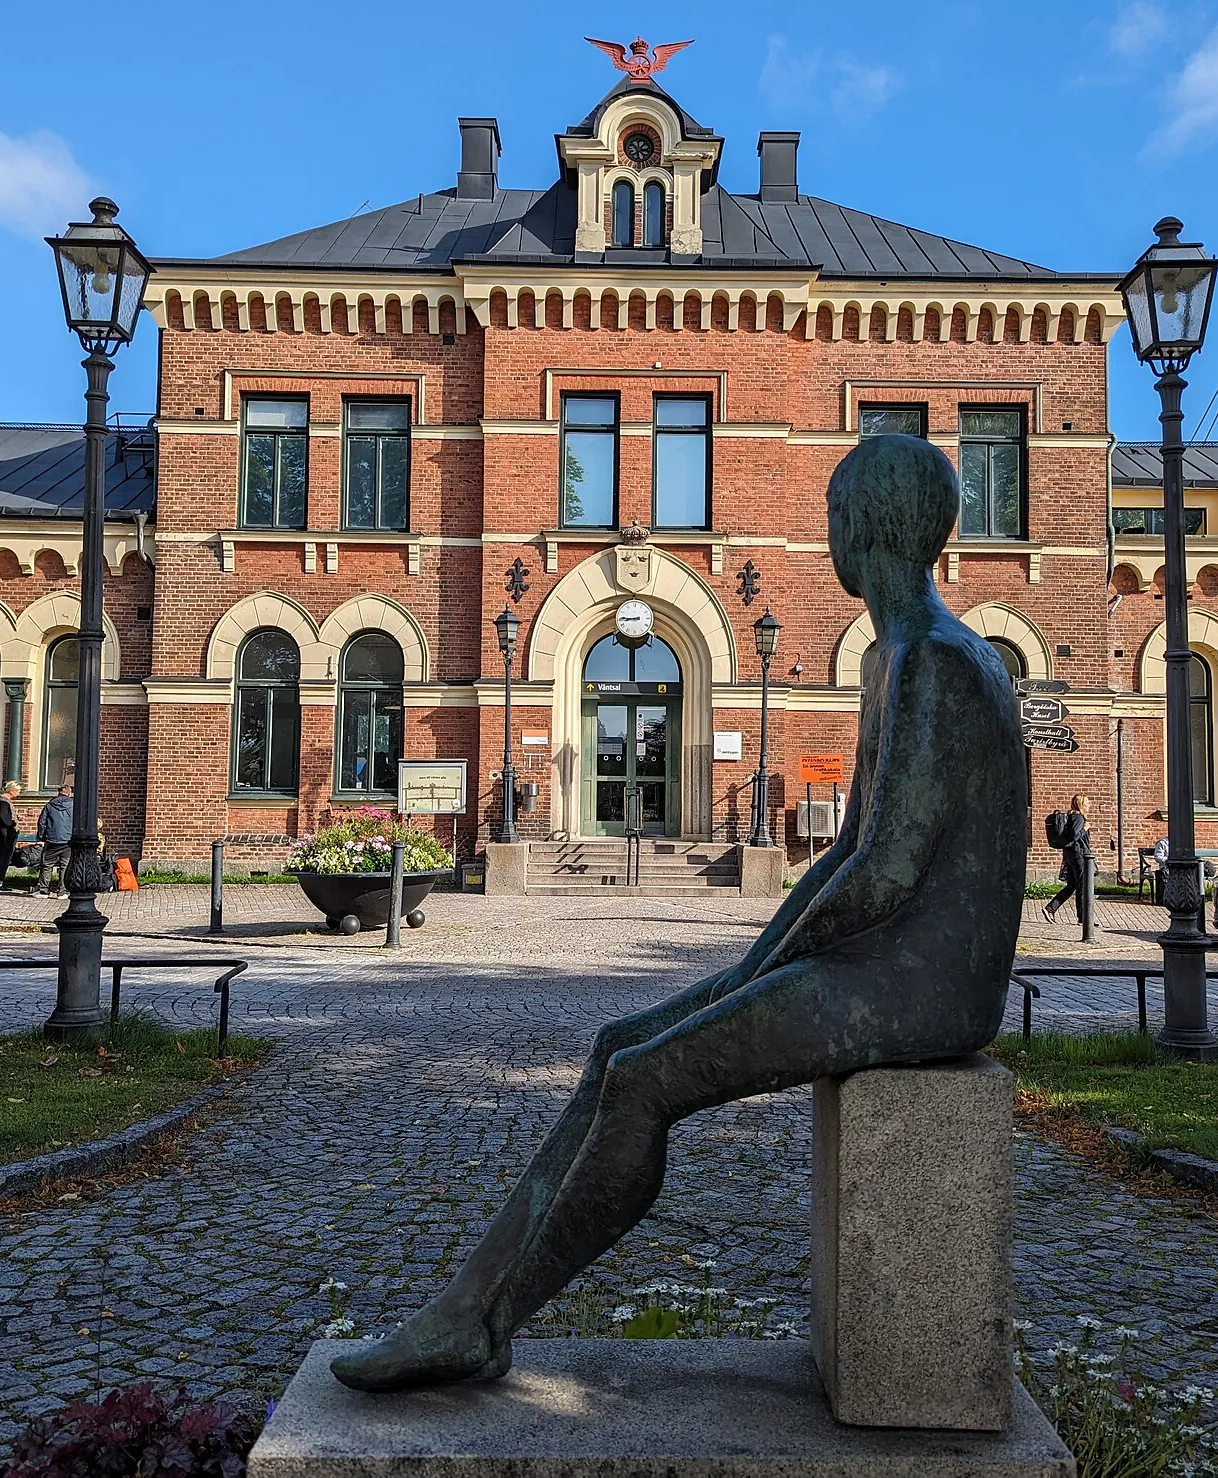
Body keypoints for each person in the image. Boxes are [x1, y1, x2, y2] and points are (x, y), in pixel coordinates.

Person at [331, 430, 1024, 1393]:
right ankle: (466, 1309)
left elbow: (885, 873)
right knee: (620, 1040)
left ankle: (482, 1320)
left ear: (864, 527)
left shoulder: (939, 663)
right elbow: (854, 860)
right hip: (890, 963)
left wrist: (756, 968)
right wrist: (753, 966)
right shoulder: (903, 656)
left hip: (924, 987)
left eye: (832, 514)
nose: (826, 531)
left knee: (648, 1077)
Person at [1042, 793, 1092, 926]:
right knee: (1083, 886)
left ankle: (1050, 908)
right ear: (1081, 804)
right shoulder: (1078, 818)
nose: (1089, 805)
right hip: (1079, 856)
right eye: (1087, 803)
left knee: (1072, 885)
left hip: (1070, 855)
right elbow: (1075, 835)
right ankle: (1084, 919)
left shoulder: (1072, 817)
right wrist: (1085, 829)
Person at [36, 780, 75, 898]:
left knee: (47, 865)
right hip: (68, 840)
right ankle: (62, 891)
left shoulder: (49, 805)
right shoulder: (74, 805)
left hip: (52, 840)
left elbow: (42, 822)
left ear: (58, 793)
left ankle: (44, 891)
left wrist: (41, 837)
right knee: (65, 866)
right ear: (69, 793)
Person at [0, 781, 21, 891]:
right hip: (6, 834)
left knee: (3, 857)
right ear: (12, 791)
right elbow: (4, 819)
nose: (19, 793)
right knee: (6, 858)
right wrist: (13, 823)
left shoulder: (0, 801)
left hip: (0, 833)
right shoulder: (4, 802)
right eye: (18, 791)